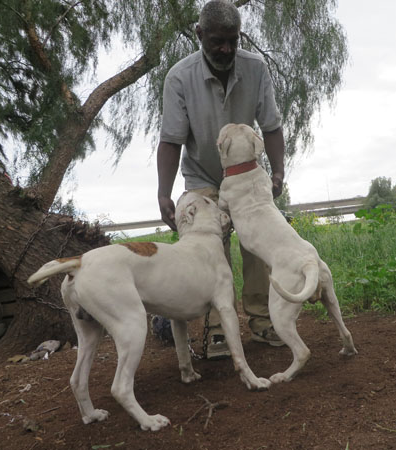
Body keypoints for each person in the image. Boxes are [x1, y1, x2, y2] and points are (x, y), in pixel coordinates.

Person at [156, 0, 286, 359]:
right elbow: (171, 140)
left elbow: (271, 126)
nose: (226, 49)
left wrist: (278, 172)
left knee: (257, 238)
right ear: (199, 34)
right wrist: (164, 194)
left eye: (232, 40)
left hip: (245, 174)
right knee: (209, 248)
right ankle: (216, 330)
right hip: (202, 175)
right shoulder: (179, 78)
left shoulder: (256, 69)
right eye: (217, 41)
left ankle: (263, 320)